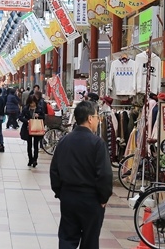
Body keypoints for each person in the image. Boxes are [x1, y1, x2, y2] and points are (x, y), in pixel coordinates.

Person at [50, 100, 113, 249]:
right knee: (90, 240)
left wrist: (60, 192)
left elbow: (54, 171)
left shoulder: (64, 141)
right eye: (97, 117)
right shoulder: (97, 143)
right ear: (90, 118)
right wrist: (103, 198)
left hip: (68, 197)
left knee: (67, 239)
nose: (98, 120)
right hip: (91, 199)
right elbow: (105, 174)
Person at [19, 94, 47, 167]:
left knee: (36, 145)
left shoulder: (39, 108)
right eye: (31, 103)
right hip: (28, 128)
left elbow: (43, 117)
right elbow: (20, 117)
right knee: (29, 145)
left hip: (36, 128)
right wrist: (27, 121)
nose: (32, 104)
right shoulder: (26, 108)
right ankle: (30, 159)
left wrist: (39, 116)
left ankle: (35, 160)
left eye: (33, 102)